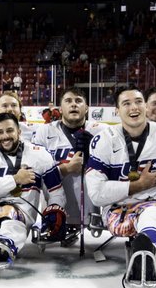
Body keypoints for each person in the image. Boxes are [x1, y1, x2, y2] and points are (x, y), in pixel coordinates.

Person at [86, 88, 156, 288]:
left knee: (154, 214)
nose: (134, 107)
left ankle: (146, 258)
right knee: (155, 215)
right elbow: (96, 195)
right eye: (126, 103)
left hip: (154, 204)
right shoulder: (103, 140)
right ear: (117, 111)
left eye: (138, 101)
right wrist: (137, 186)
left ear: (145, 106)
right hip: (117, 211)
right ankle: (145, 251)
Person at [0, 112, 66, 267]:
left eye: (9, 131)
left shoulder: (40, 154)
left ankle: (3, 243)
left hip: (23, 213)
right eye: (0, 132)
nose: (5, 136)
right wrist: (15, 180)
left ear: (19, 132)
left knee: (12, 223)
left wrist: (54, 212)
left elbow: (55, 191)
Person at [33, 87, 107, 237]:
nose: (73, 104)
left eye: (78, 101)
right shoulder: (44, 132)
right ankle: (53, 218)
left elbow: (113, 169)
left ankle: (92, 218)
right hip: (56, 202)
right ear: (60, 109)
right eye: (68, 101)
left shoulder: (102, 131)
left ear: (86, 108)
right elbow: (37, 173)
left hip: (91, 207)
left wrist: (93, 156)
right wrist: (66, 168)